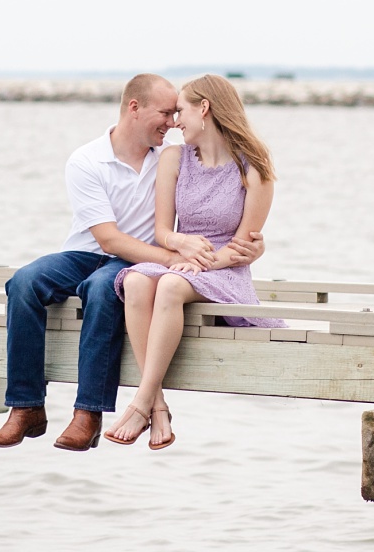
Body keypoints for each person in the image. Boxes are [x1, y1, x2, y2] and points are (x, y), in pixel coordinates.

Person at [0, 73, 264, 452]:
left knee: (104, 289)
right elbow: (109, 239)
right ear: (135, 108)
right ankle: (25, 407)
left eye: (176, 114)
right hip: (88, 252)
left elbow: (227, 223)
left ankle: (88, 413)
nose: (171, 123)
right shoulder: (87, 160)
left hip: (134, 263)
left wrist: (243, 250)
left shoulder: (168, 157)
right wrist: (175, 256)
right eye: (165, 113)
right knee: (23, 283)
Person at [105, 74, 281, 451]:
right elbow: (161, 231)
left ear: (205, 108)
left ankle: (139, 404)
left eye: (180, 111)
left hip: (224, 270)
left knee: (168, 285)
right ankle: (157, 405)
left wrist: (203, 264)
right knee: (135, 281)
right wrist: (180, 242)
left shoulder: (254, 167)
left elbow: (243, 247)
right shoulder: (174, 157)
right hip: (182, 258)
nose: (174, 122)